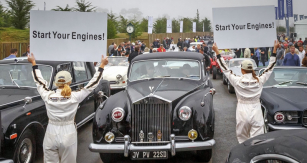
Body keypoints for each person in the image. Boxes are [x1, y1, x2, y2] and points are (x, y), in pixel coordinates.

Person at [27, 53, 108, 163]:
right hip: (68, 133)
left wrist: (33, 63)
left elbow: (39, 82)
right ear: (69, 82)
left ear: (56, 83)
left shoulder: (48, 96)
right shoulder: (74, 97)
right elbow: (92, 84)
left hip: (51, 133)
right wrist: (102, 65)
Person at [214, 41, 278, 144]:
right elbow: (270, 67)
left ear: (242, 70)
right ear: (252, 69)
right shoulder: (259, 80)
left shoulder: (236, 80)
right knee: (256, 143)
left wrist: (217, 52)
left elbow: (225, 68)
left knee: (243, 142)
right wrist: (274, 50)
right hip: (256, 110)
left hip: (242, 112)